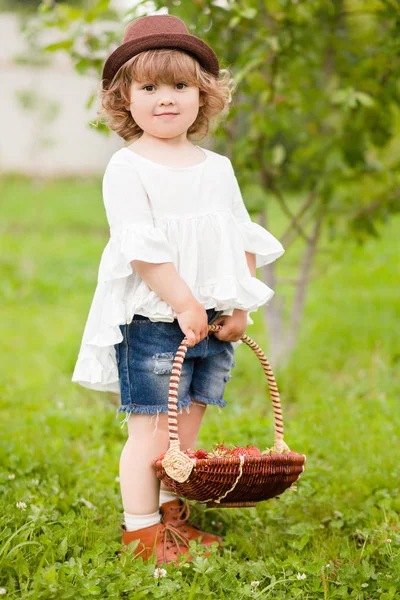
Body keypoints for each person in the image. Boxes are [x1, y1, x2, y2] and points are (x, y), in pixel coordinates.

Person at [72, 14, 285, 566]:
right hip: (155, 318)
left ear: (203, 94)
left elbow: (242, 237)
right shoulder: (128, 167)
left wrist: (240, 304)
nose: (166, 99)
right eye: (149, 88)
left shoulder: (216, 168)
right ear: (125, 99)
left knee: (184, 433)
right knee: (150, 430)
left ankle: (174, 518)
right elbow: (142, 250)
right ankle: (141, 533)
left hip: (209, 319)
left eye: (180, 86)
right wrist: (185, 302)